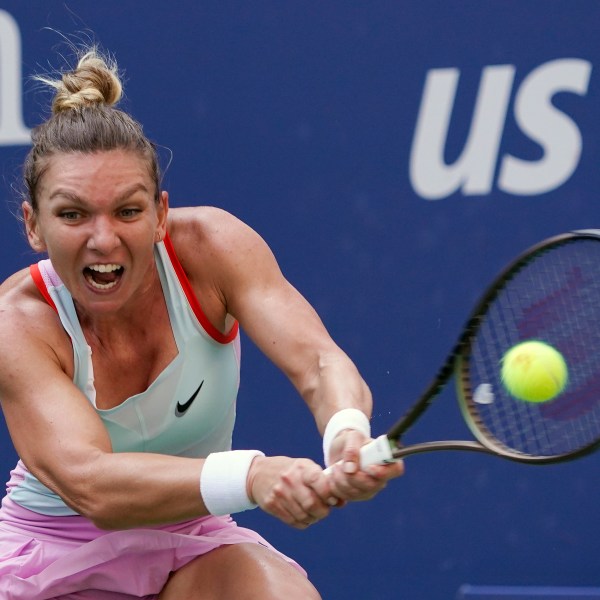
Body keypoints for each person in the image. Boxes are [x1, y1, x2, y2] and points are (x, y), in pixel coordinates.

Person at [0, 46, 404, 600]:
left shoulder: (212, 248)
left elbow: (318, 360)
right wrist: (253, 476)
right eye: (72, 214)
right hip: (55, 553)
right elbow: (93, 483)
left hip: (192, 535)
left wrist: (346, 431)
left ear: (161, 213)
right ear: (34, 226)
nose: (103, 239)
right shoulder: (16, 322)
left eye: (128, 210)